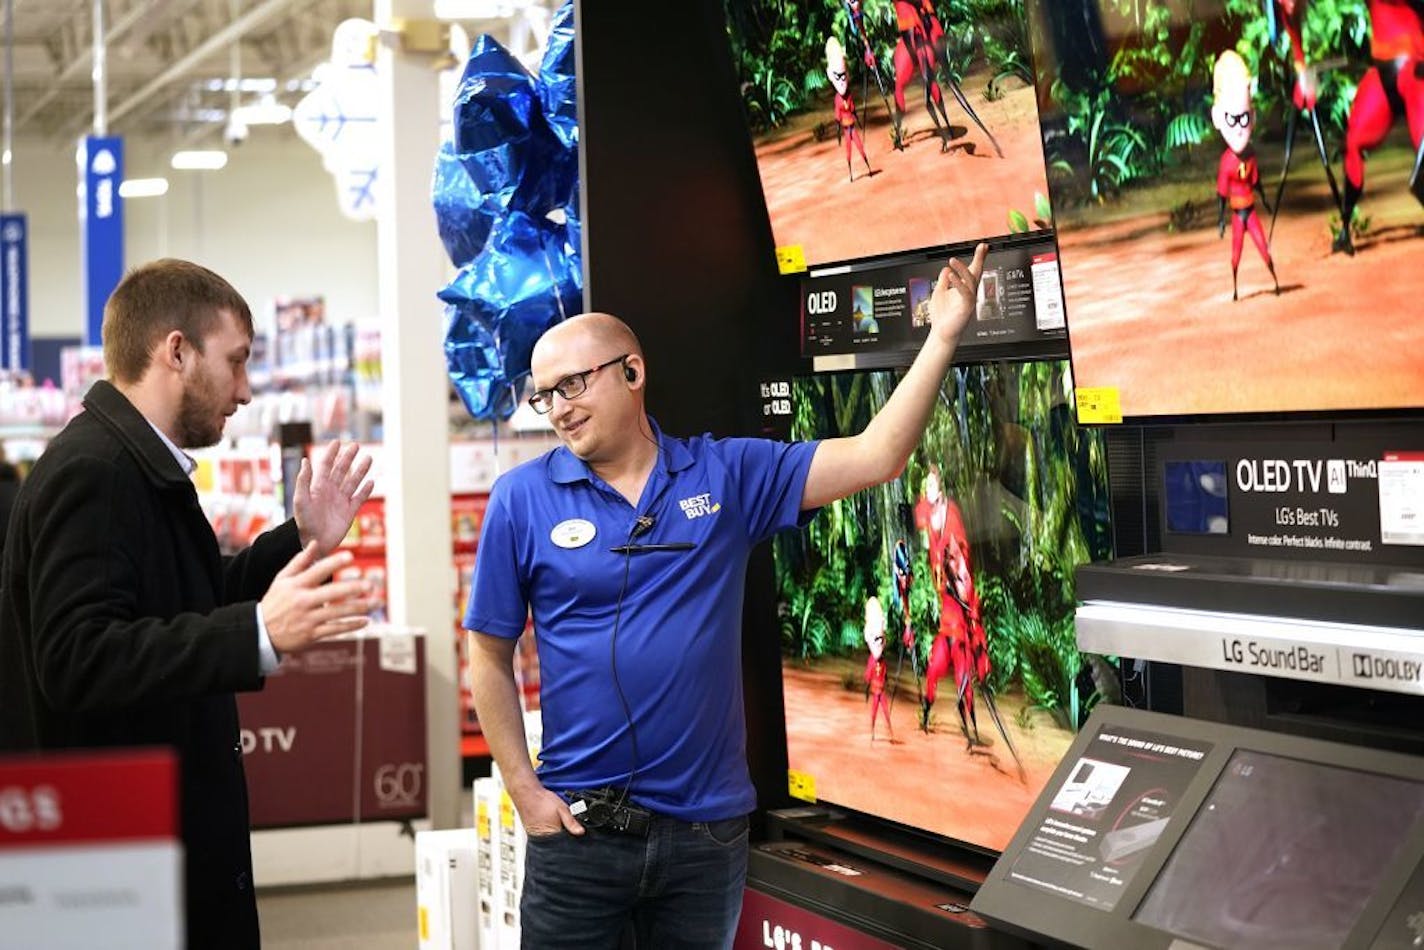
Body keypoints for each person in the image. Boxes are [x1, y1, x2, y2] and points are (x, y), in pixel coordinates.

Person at [465, 242, 987, 949]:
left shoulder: (728, 473)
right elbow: (488, 654)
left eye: (572, 386)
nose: (557, 408)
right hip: (580, 833)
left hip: (704, 839)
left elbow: (876, 455)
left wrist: (945, 335)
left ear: (632, 372)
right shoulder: (520, 500)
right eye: (544, 395)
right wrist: (521, 787)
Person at [0, 259, 377, 950]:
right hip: (114, 867)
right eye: (235, 362)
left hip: (145, 851)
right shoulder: (96, 472)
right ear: (176, 351)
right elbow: (76, 658)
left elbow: (190, 600)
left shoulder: (138, 466)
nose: (244, 389)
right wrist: (256, 633)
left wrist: (300, 541)